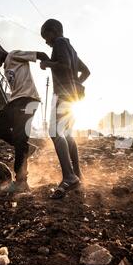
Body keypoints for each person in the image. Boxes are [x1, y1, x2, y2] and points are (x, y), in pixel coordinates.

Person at [0, 39, 49, 193]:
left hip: (28, 99)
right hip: (16, 101)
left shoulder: (14, 55)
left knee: (20, 138)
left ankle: (21, 181)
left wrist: (48, 64)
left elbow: (42, 55)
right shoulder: (6, 66)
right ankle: (26, 147)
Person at [39, 19, 91, 199]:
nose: (46, 41)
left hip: (62, 95)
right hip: (73, 96)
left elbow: (64, 66)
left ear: (53, 31)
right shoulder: (72, 49)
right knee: (67, 135)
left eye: (46, 37)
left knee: (54, 132)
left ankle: (69, 176)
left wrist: (48, 64)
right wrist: (75, 84)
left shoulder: (60, 43)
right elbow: (86, 72)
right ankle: (77, 174)